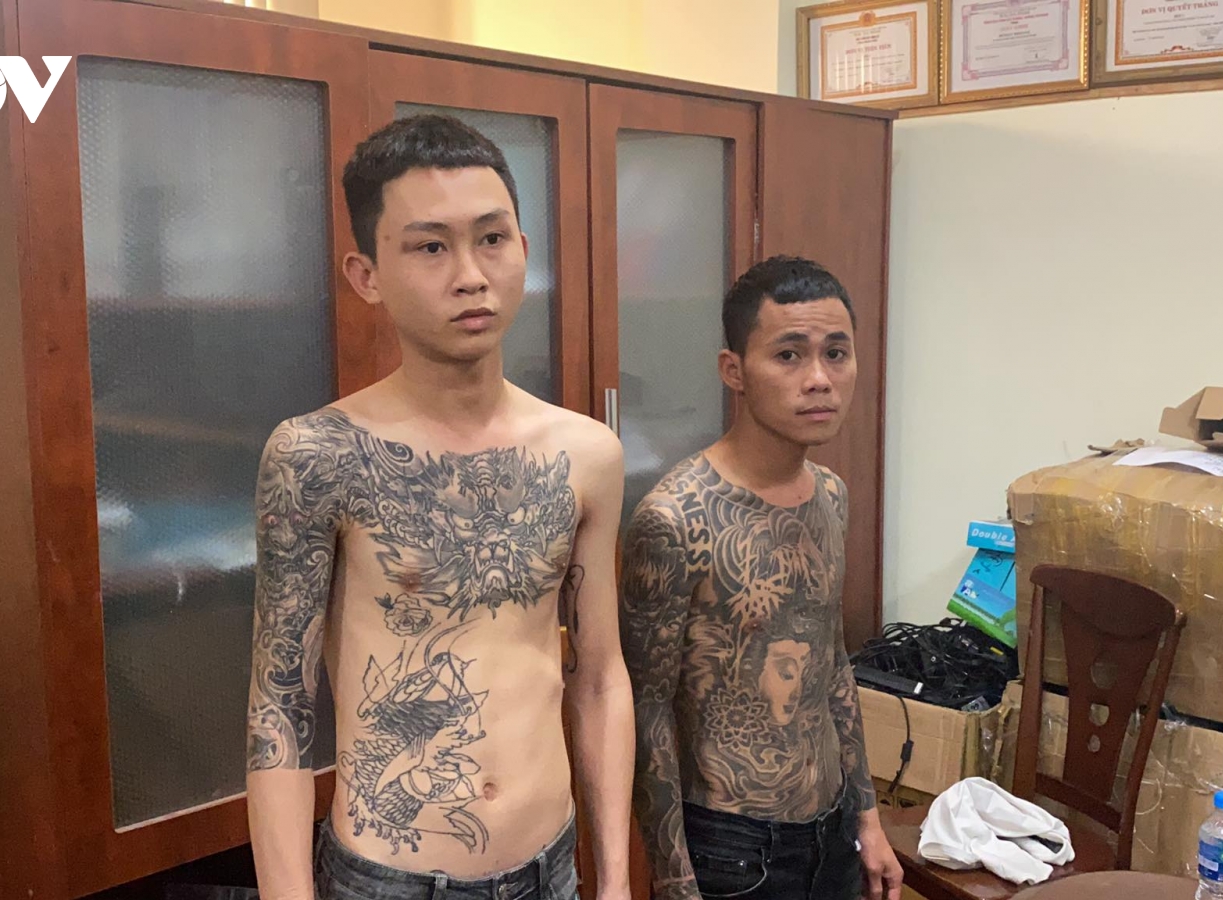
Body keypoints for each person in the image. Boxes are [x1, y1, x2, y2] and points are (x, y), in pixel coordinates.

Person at [245, 115, 634, 900]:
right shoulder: (317, 454)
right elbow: (279, 707)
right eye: (430, 247)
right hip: (390, 879)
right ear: (367, 275)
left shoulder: (587, 454)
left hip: (549, 869)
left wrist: (617, 879)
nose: (470, 275)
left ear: (523, 246)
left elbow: (598, 678)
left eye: (492, 239)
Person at [621, 256, 904, 900]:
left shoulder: (831, 495)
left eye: (836, 354)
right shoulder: (675, 519)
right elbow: (646, 710)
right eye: (789, 355)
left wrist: (867, 819)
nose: (819, 379)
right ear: (734, 371)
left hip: (833, 827)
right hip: (732, 848)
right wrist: (673, 876)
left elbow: (832, 664)